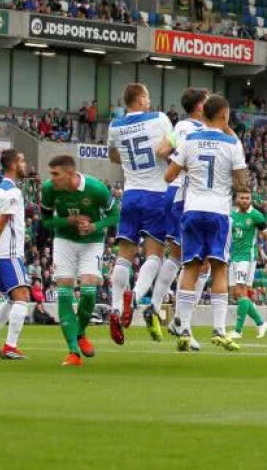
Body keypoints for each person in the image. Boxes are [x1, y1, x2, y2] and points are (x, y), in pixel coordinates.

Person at [164, 94, 250, 352]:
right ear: (224, 116)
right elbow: (242, 184)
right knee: (219, 268)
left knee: (190, 267)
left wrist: (194, 170)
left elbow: (169, 176)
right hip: (218, 212)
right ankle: (219, 330)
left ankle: (184, 328)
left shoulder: (189, 140)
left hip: (192, 211)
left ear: (204, 114)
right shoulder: (232, 143)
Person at [106, 82, 174, 343]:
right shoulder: (159, 118)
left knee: (124, 255)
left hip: (130, 193)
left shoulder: (116, 126)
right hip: (156, 193)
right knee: (155, 255)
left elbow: (113, 155)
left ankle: (114, 307)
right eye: (147, 97)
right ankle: (134, 297)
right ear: (141, 99)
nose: (150, 102)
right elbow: (168, 150)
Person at [39, 154, 119, 366]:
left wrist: (95, 226)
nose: (52, 179)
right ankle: (73, 351)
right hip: (64, 240)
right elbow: (46, 221)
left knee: (88, 291)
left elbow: (115, 215)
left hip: (92, 242)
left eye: (56, 174)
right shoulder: (48, 190)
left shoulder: (96, 189)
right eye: (51, 174)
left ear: (71, 174)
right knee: (64, 290)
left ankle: (81, 332)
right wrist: (69, 221)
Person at [153, 87, 209, 343]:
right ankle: (181, 322)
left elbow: (161, 150)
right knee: (199, 263)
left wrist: (177, 162)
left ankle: (160, 310)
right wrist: (184, 166)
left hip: (177, 194)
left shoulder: (181, 127)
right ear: (199, 106)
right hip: (186, 196)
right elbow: (165, 153)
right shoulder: (193, 128)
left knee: (179, 256)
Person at [0, 149, 30, 360]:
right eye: (22, 160)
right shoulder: (12, 192)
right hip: (9, 252)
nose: (25, 165)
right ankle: (10, 346)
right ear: (13, 165)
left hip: (1, 252)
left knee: (11, 298)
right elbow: (1, 222)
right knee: (22, 298)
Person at [228, 190, 267, 341]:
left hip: (247, 257)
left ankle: (238, 331)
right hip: (234, 257)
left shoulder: (256, 215)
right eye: (242, 197)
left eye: (248, 198)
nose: (245, 200)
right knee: (236, 294)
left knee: (241, 292)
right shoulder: (232, 214)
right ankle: (261, 323)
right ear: (236, 199)